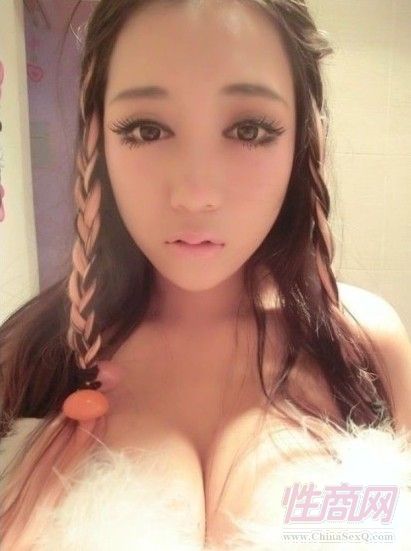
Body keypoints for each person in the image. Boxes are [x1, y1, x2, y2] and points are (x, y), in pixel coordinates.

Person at [1, 0, 411, 549]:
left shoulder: (363, 347)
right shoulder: (32, 357)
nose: (195, 195)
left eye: (249, 129)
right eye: (147, 129)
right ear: (98, 142)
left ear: (302, 138)